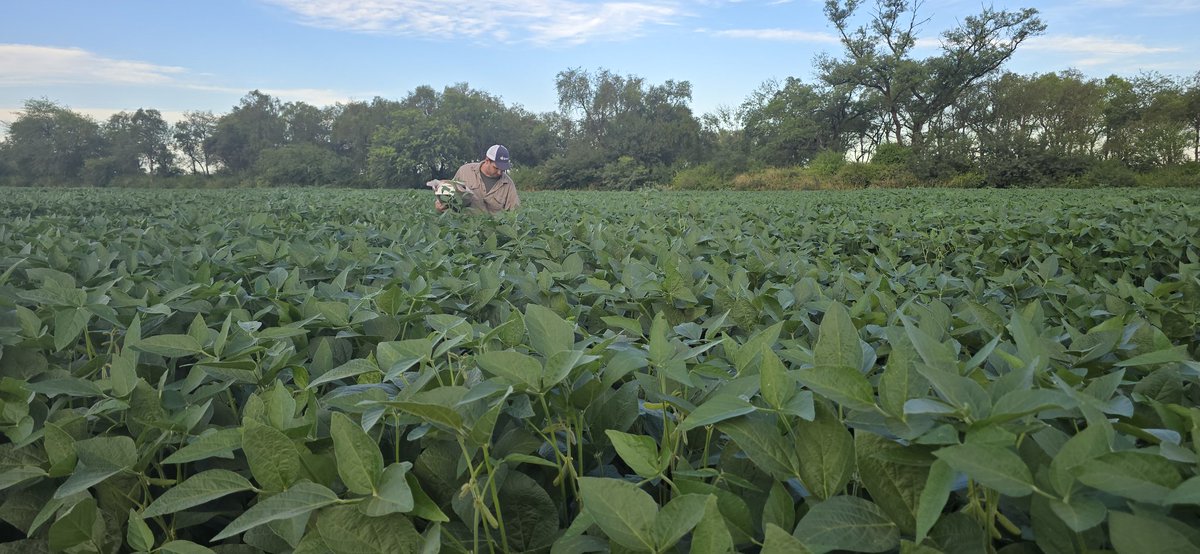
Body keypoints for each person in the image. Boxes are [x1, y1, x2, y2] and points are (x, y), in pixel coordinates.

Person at [435, 144, 520, 214]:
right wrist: (440, 204)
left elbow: (514, 213)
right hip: (465, 226)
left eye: (503, 169)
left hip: (494, 229)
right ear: (487, 160)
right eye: (496, 168)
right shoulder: (465, 171)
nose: (499, 172)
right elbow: (450, 193)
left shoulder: (508, 184)